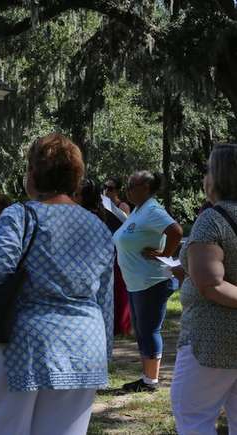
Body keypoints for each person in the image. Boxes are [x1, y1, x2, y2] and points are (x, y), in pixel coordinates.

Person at [0, 133, 114, 434]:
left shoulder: (21, 216)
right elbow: (105, 301)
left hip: (22, 344)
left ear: (32, 174)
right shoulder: (98, 226)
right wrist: (103, 354)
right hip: (84, 348)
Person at [171, 143, 237, 434]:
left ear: (219, 176)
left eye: (208, 169)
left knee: (193, 416)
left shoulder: (211, 219)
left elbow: (211, 285)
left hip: (212, 342)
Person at [114, 171, 184, 392]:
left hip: (152, 281)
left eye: (131, 185)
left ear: (145, 187)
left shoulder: (152, 210)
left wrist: (164, 253)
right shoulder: (138, 210)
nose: (127, 188)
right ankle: (146, 377)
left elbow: (176, 231)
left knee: (149, 329)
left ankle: (151, 381)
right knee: (142, 329)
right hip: (137, 282)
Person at [77, 179, 133, 336]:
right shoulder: (100, 209)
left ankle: (120, 325)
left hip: (114, 250)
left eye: (111, 188)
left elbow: (127, 226)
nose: (107, 190)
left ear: (117, 190)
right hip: (107, 251)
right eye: (105, 187)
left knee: (115, 289)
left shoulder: (121, 206)